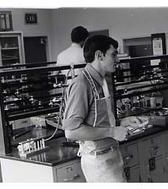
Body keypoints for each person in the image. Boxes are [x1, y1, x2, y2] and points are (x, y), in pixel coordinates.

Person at [61, 35, 147, 182]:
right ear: (99, 55)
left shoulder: (103, 81)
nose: (117, 60)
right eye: (113, 55)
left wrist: (121, 122)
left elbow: (97, 120)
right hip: (98, 161)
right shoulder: (81, 84)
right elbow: (71, 132)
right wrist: (112, 131)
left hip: (112, 155)